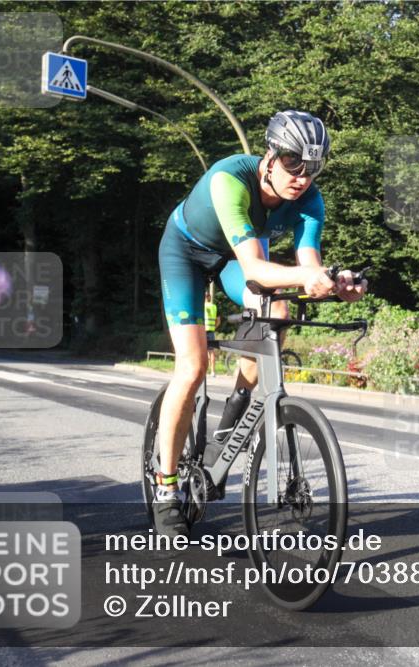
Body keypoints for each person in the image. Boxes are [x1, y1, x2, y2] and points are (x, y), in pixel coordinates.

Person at [154, 110, 367, 537]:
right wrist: (308, 278)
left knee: (279, 312)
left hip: (234, 258)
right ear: (270, 154)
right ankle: (166, 487)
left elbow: (309, 266)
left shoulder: (310, 201)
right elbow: (254, 267)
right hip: (186, 254)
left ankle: (235, 410)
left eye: (313, 168)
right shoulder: (229, 178)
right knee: (192, 368)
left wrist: (334, 282)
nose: (302, 177)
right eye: (293, 163)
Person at [203, 290, 220, 376]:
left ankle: (204, 371)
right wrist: (214, 327)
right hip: (211, 331)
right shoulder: (214, 307)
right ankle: (213, 372)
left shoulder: (202, 307)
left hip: (203, 331)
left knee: (203, 351)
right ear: (209, 297)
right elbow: (218, 320)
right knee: (211, 351)